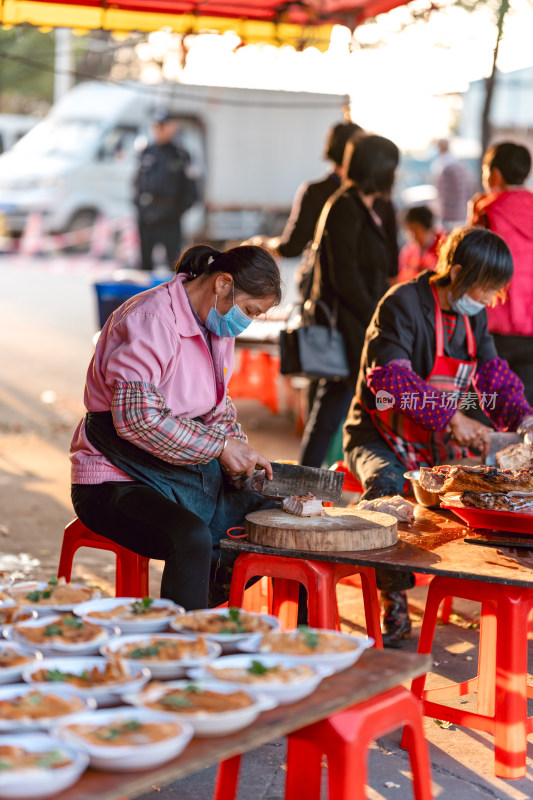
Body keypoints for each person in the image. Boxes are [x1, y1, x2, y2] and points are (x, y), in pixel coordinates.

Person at [343, 226, 533, 646]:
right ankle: (391, 594)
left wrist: (523, 419)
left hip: (430, 445)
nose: (488, 300)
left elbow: (492, 376)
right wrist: (453, 419)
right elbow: (390, 382)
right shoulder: (403, 304)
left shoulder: (473, 316)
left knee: (487, 496)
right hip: (378, 435)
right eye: (485, 289)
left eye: (494, 292)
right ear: (458, 271)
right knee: (387, 491)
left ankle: (487, 593)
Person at [70, 244, 282, 610]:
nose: (245, 322)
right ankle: (183, 649)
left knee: (275, 518)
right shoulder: (151, 320)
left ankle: (295, 647)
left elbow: (218, 406)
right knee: (191, 537)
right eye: (248, 310)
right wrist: (220, 448)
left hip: (179, 473)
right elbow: (138, 421)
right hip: (114, 480)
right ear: (222, 284)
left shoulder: (218, 328)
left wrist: (238, 451)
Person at [299, 131, 400, 469]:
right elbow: (344, 278)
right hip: (348, 325)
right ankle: (304, 483)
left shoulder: (379, 207)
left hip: (368, 324)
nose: (395, 176)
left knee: (354, 407)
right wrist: (379, 316)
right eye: (392, 168)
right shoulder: (342, 206)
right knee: (332, 407)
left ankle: (347, 479)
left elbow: (390, 264)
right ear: (379, 169)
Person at [468, 142, 533, 404]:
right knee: (526, 412)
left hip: (494, 324)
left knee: (487, 404)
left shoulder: (486, 209)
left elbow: (470, 260)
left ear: (495, 174)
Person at [134, 108, 198, 271]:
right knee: (145, 265)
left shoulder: (180, 155)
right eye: (156, 126)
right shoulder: (146, 152)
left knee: (173, 265)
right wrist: (140, 209)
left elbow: (191, 190)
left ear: (173, 127)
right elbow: (137, 184)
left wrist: (176, 212)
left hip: (170, 218)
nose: (159, 129)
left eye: (163, 125)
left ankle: (173, 297)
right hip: (147, 217)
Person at [432, 139, 474, 231]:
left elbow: (440, 191)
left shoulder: (441, 164)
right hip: (463, 214)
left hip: (449, 217)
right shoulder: (458, 163)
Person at [396, 205, 446, 283]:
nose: (413, 237)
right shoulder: (408, 251)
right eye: (409, 232)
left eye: (416, 231)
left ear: (429, 229)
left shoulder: (445, 248)